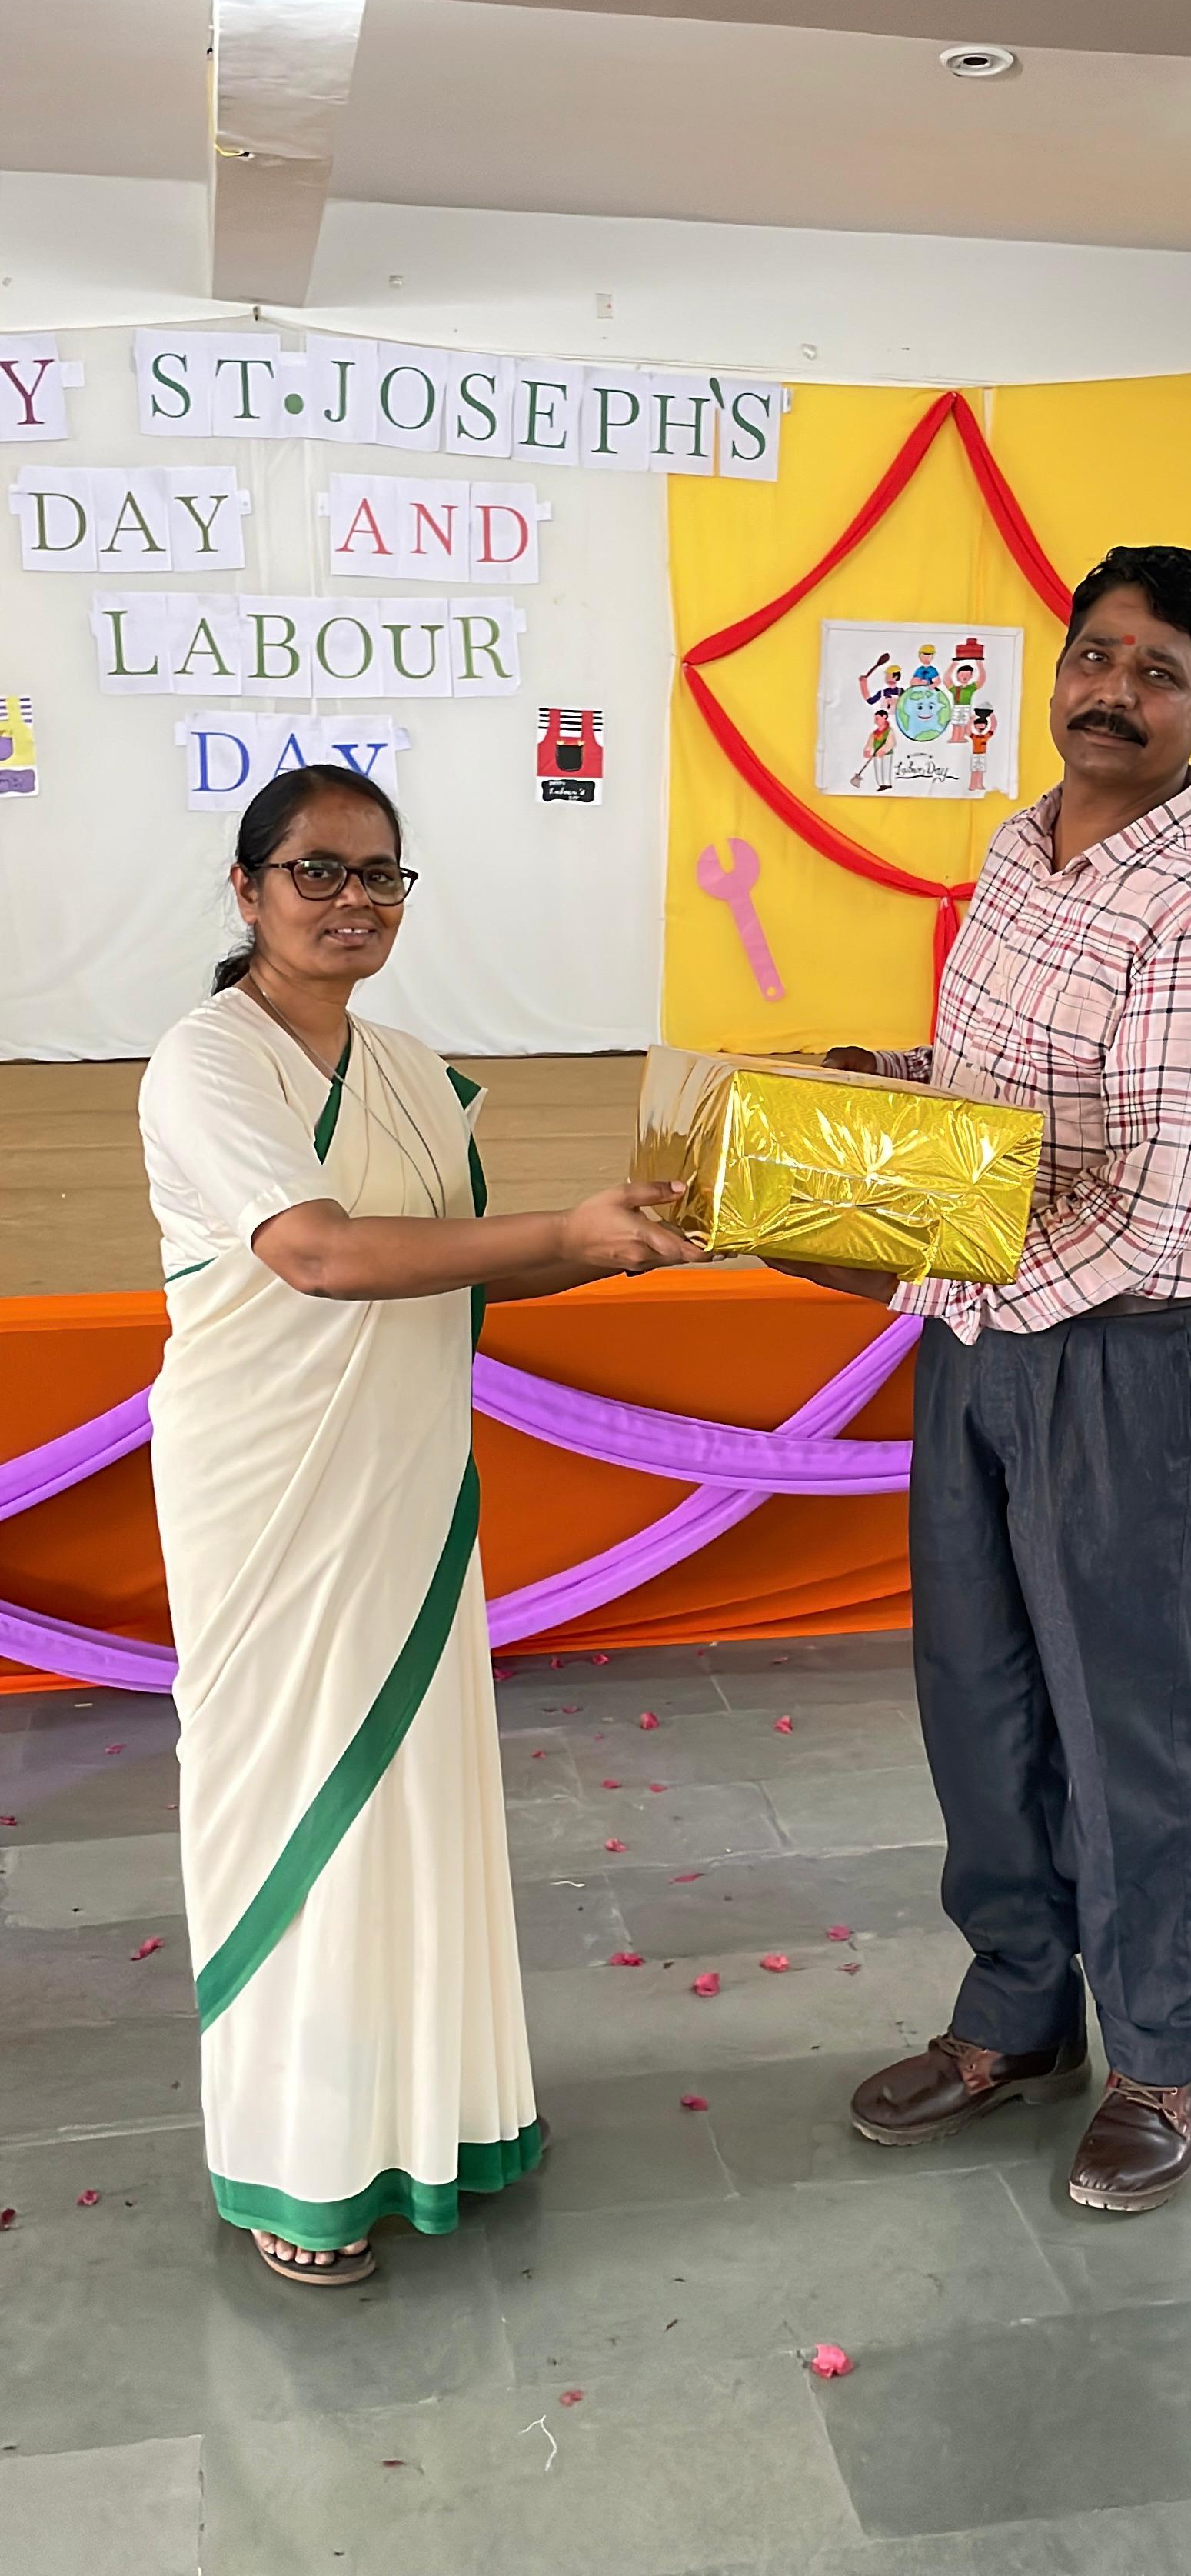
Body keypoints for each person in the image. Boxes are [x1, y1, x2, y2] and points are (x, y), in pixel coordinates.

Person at [138, 764, 697, 2287]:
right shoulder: (203, 1060)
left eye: (379, 874)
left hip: (404, 1473)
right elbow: (318, 1254)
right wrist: (563, 1227)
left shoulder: (408, 1068)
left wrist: (611, 1241)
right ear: (248, 888)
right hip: (268, 1485)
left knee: (414, 1792)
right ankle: (300, 2161)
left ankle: (441, 2119)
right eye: (316, 871)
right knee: (292, 1801)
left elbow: (463, 1262)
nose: (353, 901)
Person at [807, 546, 1191, 2214]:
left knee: (1116, 1717)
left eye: (1158, 674)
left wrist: (917, 1272)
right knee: (979, 1689)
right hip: (977, 1338)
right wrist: (872, 1090)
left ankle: (1155, 2053)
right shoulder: (1022, 854)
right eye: (1096, 656)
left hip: (1113, 1356)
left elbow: (1149, 1212)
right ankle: (1017, 2013)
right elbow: (990, 1096)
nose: (1113, 692)